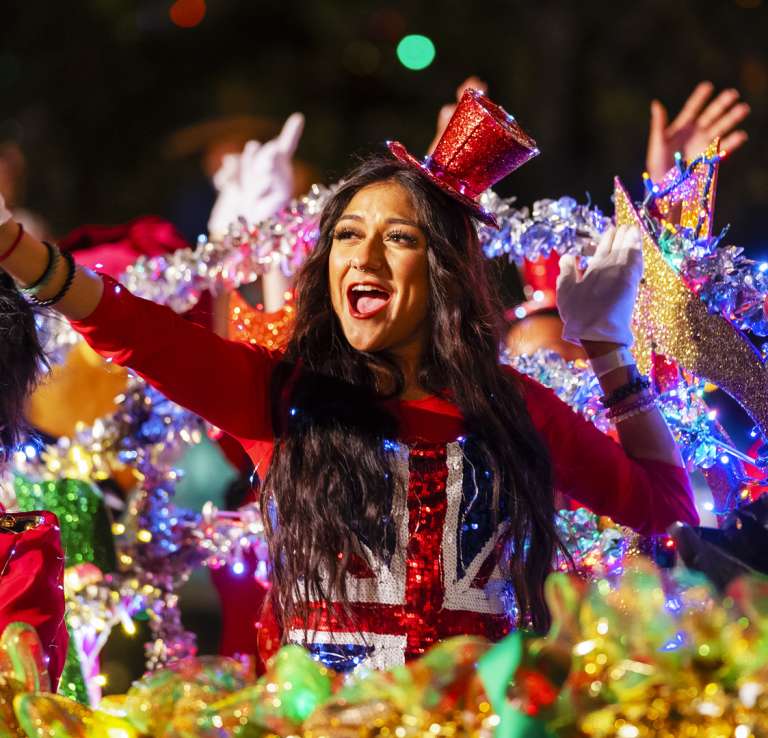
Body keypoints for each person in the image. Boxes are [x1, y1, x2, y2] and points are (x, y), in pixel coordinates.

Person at [0, 90, 697, 672]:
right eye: (346, 234)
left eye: (399, 237)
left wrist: (608, 348)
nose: (364, 255)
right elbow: (136, 329)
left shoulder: (514, 410)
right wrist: (16, 250)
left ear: (446, 271)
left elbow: (666, 511)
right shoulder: (280, 399)